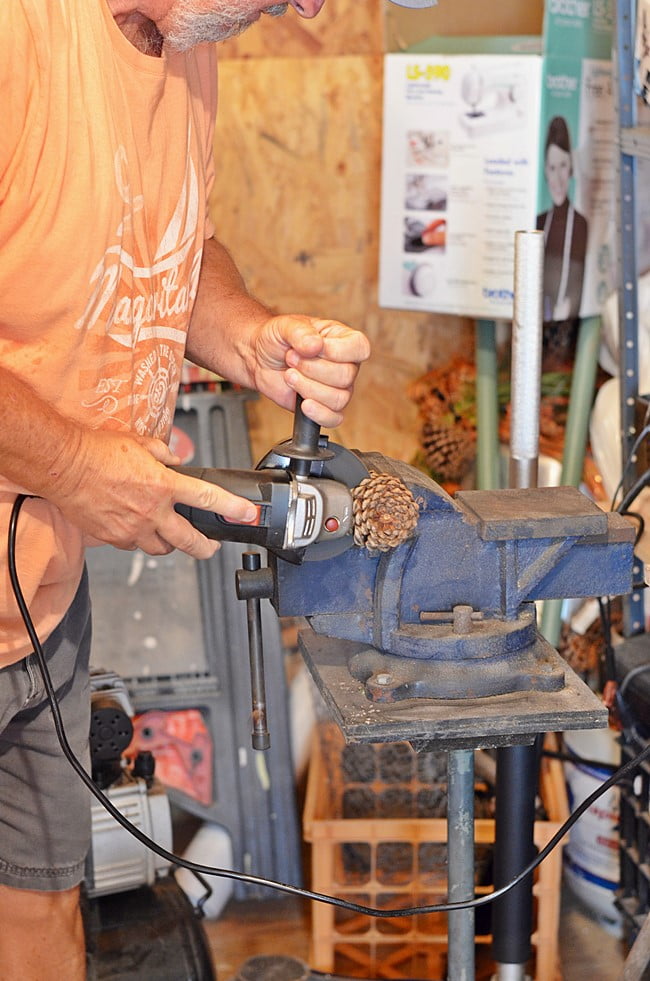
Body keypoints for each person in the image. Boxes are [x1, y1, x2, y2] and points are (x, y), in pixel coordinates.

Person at [0, 0, 370, 977]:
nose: (311, 9)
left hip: (37, 598)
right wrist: (80, 466)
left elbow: (173, 242)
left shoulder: (182, 48)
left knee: (40, 907)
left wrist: (248, 334)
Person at [536, 115, 588, 326]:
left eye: (563, 166)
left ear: (571, 169)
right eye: (552, 168)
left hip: (566, 328)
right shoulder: (538, 223)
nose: (557, 179)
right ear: (545, 172)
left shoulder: (580, 225)